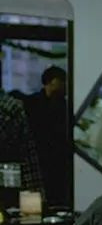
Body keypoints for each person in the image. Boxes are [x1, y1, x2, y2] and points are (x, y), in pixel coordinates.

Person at [23, 66, 69, 205]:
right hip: (40, 157)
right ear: (50, 82)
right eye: (61, 81)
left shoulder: (63, 105)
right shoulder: (32, 103)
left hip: (58, 159)